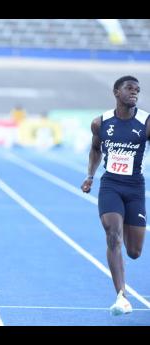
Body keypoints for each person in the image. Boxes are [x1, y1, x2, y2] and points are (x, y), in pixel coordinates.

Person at [81, 75, 147, 316]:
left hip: (135, 188)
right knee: (112, 234)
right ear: (116, 92)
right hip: (110, 185)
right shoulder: (100, 123)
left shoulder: (146, 122)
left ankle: (124, 280)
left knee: (134, 251)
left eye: (137, 90)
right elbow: (95, 149)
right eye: (130, 89)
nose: (135, 93)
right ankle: (122, 295)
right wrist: (90, 176)